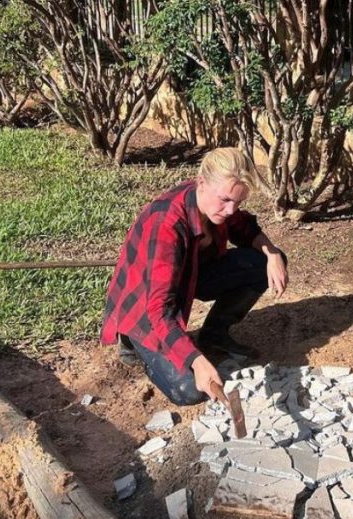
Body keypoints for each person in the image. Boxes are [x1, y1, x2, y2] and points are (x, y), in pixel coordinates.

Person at [101, 148, 288, 406]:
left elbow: (244, 228)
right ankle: (132, 342)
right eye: (225, 200)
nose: (231, 210)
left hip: (189, 278)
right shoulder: (166, 225)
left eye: (238, 202)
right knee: (189, 391)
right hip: (145, 309)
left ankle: (213, 335)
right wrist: (197, 362)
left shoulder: (216, 204)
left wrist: (272, 253)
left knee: (261, 263)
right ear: (201, 183)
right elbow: (159, 311)